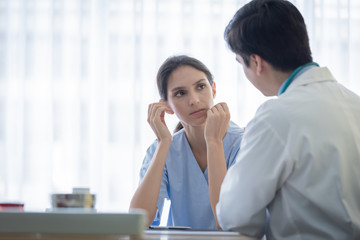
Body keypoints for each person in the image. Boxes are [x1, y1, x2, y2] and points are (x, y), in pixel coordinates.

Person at [216, 0, 360, 239]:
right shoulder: (355, 103)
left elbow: (236, 218)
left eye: (241, 63)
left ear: (257, 62)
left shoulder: (274, 118)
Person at [129, 55, 244, 230]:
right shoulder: (163, 148)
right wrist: (163, 143)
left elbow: (227, 222)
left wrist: (214, 142)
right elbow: (139, 221)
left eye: (201, 87)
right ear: (167, 106)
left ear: (213, 90)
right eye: (180, 93)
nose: (194, 100)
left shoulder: (242, 143)